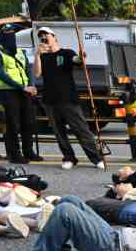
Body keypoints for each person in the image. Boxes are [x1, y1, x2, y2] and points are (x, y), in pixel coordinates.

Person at [32, 28, 104, 170]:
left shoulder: (66, 53)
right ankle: (69, 158)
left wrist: (81, 57)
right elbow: (37, 73)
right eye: (41, 36)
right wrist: (38, 54)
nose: (44, 38)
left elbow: (76, 60)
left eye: (46, 35)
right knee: (59, 133)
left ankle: (96, 158)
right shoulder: (43, 56)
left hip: (68, 99)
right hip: (50, 100)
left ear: (54, 37)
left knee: (81, 130)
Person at [0, 25, 39, 163]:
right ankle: (14, 154)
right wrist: (22, 87)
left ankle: (28, 151)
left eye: (13, 34)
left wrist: (32, 85)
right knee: (12, 125)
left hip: (24, 92)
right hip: (7, 93)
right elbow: (0, 74)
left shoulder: (20, 52)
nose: (11, 37)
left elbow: (28, 70)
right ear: (2, 37)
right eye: (8, 34)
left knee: (28, 123)